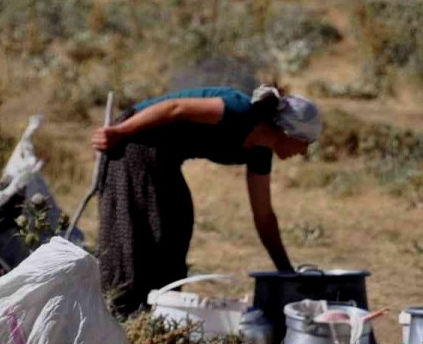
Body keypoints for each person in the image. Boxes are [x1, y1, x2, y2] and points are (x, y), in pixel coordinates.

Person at [91, 85, 322, 316]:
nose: (303, 152)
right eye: (305, 143)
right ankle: (122, 313)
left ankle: (159, 315)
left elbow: (264, 216)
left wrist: (286, 272)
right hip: (135, 138)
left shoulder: (260, 153)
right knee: (140, 233)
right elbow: (175, 108)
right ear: (288, 132)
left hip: (164, 158)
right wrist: (119, 131)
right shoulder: (240, 111)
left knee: (177, 225)